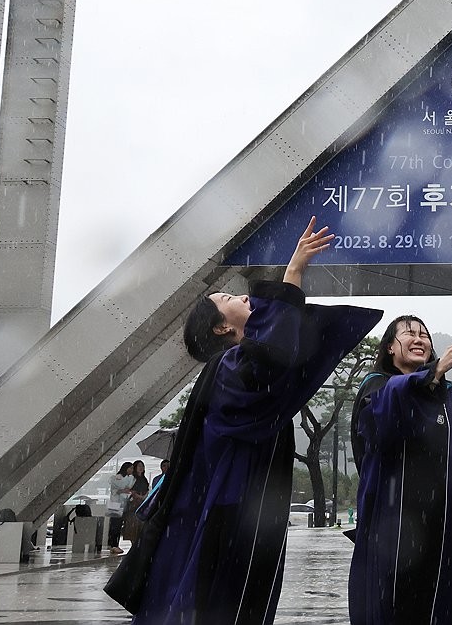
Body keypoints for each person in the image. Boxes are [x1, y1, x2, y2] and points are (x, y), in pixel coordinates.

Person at [110, 218, 382, 625]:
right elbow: (273, 355)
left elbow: (281, 353)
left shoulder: (238, 369)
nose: (240, 296)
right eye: (227, 298)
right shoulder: (229, 369)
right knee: (223, 605)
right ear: (222, 327)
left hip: (246, 513)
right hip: (231, 514)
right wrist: (292, 275)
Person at [348, 315, 452, 625]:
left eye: (424, 335)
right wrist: (431, 375)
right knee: (389, 607)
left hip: (440, 525)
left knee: (439, 608)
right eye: (409, 334)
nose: (420, 339)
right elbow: (382, 420)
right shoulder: (376, 388)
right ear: (390, 348)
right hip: (391, 523)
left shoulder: (447, 397)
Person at [107, 463, 135, 555]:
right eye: (130, 468)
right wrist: (123, 490)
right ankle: (113, 544)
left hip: (122, 505)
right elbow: (115, 490)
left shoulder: (130, 478)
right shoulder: (117, 477)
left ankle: (115, 544)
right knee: (115, 525)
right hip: (116, 504)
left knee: (118, 525)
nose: (131, 470)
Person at [121, 460, 149, 544]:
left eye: (142, 466)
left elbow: (147, 489)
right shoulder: (132, 478)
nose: (141, 468)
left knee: (140, 524)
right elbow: (129, 490)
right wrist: (137, 496)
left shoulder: (144, 479)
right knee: (133, 523)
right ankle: (133, 542)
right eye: (139, 466)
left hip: (142, 502)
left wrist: (144, 496)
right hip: (133, 503)